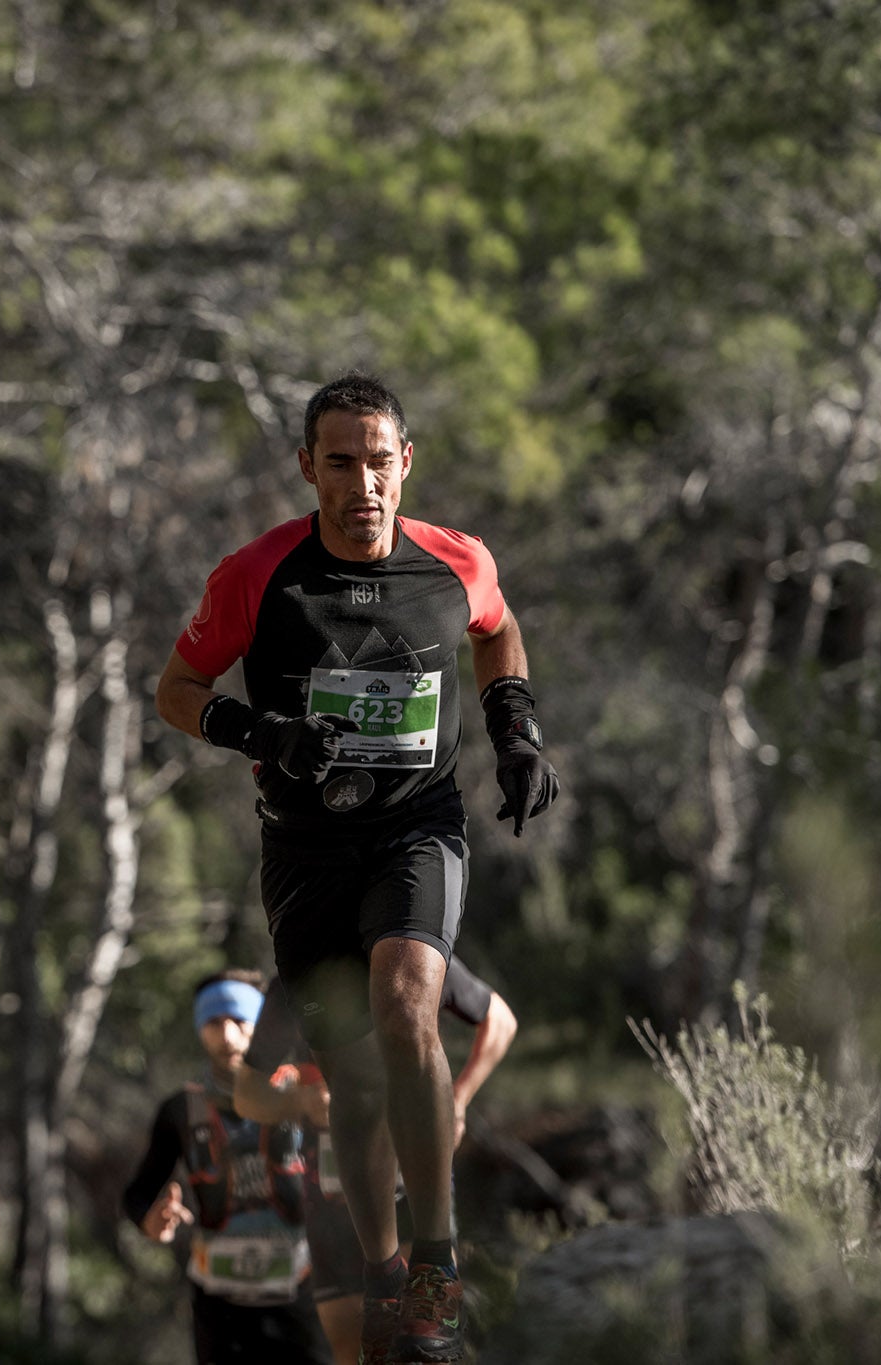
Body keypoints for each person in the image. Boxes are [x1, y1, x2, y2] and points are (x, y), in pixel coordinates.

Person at [153, 372, 560, 1365]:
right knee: (352, 1079)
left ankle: (433, 1264)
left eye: (379, 461)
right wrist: (261, 731)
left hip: (416, 826)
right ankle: (380, 1266)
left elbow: (495, 626)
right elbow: (175, 690)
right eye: (340, 462)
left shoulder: (453, 560)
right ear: (307, 468)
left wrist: (513, 728)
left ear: (405, 463)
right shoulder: (257, 575)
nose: (363, 483)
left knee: (408, 1005)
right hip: (302, 848)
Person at [234, 967, 516, 1365]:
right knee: (354, 1351)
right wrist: (299, 1103)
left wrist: (459, 1097)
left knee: (425, 1344)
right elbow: (247, 1095)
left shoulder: (413, 956)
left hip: (413, 1197)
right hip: (333, 1206)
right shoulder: (296, 976)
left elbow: (500, 1021)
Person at [122, 972, 331, 1365]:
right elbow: (138, 1193)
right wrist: (150, 1219)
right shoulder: (181, 1111)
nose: (228, 1036)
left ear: (261, 1025)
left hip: (302, 1296)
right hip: (219, 1311)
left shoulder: (305, 1097)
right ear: (200, 1029)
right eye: (215, 1022)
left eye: (239, 1020)